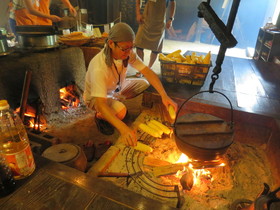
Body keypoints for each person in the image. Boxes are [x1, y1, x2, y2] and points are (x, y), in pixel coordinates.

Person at [83, 22, 177, 147]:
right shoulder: (99, 67)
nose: (128, 52)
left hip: (116, 88)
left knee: (144, 82)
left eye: (131, 47)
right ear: (111, 44)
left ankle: (116, 100)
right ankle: (100, 116)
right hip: (97, 98)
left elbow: (147, 71)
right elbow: (100, 103)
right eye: (124, 48)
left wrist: (164, 95)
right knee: (122, 112)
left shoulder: (127, 53)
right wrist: (123, 129)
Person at [135, 0, 176, 70]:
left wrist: (171, 19)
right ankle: (142, 69)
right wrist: (138, 13)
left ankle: (148, 68)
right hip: (145, 20)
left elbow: (173, 2)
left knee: (156, 48)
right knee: (139, 45)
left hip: (159, 22)